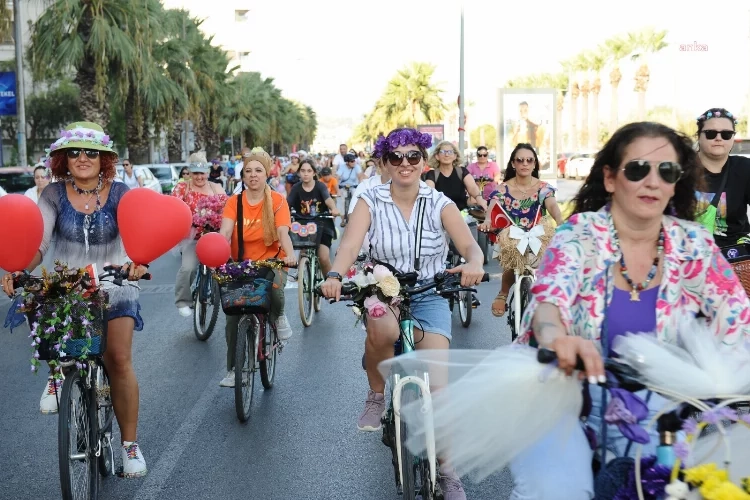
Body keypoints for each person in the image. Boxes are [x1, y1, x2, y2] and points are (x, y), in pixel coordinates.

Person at [511, 122, 750, 499]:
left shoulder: (694, 243)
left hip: (663, 409)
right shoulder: (578, 233)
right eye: (638, 169)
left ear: (676, 183)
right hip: (564, 395)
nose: (652, 181)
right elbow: (549, 300)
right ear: (610, 178)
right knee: (559, 490)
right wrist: (557, 339)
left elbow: (738, 317)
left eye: (666, 172)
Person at [320, 127, 485, 500]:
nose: (405, 163)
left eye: (413, 157)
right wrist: (333, 274)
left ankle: (447, 471)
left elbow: (469, 246)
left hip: (429, 292)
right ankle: (377, 395)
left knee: (439, 391)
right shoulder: (370, 200)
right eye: (396, 157)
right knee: (380, 325)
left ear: (424, 162)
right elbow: (349, 244)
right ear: (385, 163)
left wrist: (474, 262)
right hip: (381, 288)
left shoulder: (440, 202)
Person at [1, 121, 150, 478]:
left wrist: (136, 264)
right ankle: (58, 376)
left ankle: (130, 446)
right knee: (59, 342)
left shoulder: (122, 192)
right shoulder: (51, 195)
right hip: (66, 286)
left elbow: (137, 236)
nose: (82, 158)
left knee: (117, 358)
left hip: (115, 285)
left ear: (104, 159)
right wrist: (19, 268)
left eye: (91, 152)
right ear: (63, 159)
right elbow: (38, 243)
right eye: (74, 152)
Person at [218, 149, 296, 388]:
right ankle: (233, 369)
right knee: (232, 318)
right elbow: (225, 232)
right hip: (240, 264)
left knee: (274, 289)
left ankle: (279, 316)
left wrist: (290, 255)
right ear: (242, 176)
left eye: (258, 171)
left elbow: (282, 232)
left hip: (273, 261)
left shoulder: (278, 201)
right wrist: (218, 254)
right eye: (248, 171)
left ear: (267, 174)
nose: (253, 175)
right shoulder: (234, 202)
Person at [483, 143, 563, 317]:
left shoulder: (543, 188)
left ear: (534, 164)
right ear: (513, 164)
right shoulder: (503, 188)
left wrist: (561, 221)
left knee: (550, 265)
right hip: (512, 235)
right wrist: (488, 220)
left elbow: (553, 206)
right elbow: (493, 204)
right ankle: (503, 293)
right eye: (520, 160)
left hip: (538, 234)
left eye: (529, 160)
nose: (525, 163)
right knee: (515, 258)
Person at [171, 152, 227, 317]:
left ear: (207, 173)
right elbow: (173, 209)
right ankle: (182, 301)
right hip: (191, 237)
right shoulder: (182, 188)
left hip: (215, 236)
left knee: (227, 269)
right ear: (189, 173)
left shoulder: (216, 187)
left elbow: (227, 209)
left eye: (202, 173)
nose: (199, 177)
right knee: (188, 268)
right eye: (195, 173)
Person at [695, 107, 750, 247]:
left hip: (735, 255)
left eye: (726, 134)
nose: (718, 138)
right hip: (690, 255)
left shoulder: (744, 168)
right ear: (698, 136)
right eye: (710, 133)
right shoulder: (681, 169)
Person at [286, 159, 340, 275]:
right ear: (299, 172)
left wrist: (333, 208)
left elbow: (328, 199)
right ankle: (300, 275)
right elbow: (287, 204)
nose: (305, 173)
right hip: (303, 225)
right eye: (303, 171)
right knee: (303, 252)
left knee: (323, 257)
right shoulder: (296, 188)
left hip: (322, 224)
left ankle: (329, 284)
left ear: (314, 173)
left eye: (309, 171)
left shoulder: (320, 186)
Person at [424, 140, 487, 212]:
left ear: (455, 156)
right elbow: (429, 193)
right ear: (437, 156)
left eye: (450, 152)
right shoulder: (432, 174)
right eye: (443, 152)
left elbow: (472, 187)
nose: (446, 155)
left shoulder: (461, 171)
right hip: (440, 216)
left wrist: (479, 198)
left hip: (462, 215)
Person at [337, 153, 362, 226]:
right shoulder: (342, 167)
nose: (354, 162)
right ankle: (342, 220)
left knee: (356, 200)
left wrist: (360, 187)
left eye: (354, 161)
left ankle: (354, 218)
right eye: (352, 161)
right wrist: (337, 190)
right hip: (343, 186)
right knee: (342, 202)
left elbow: (360, 176)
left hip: (354, 186)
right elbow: (337, 177)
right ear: (347, 162)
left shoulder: (357, 167)